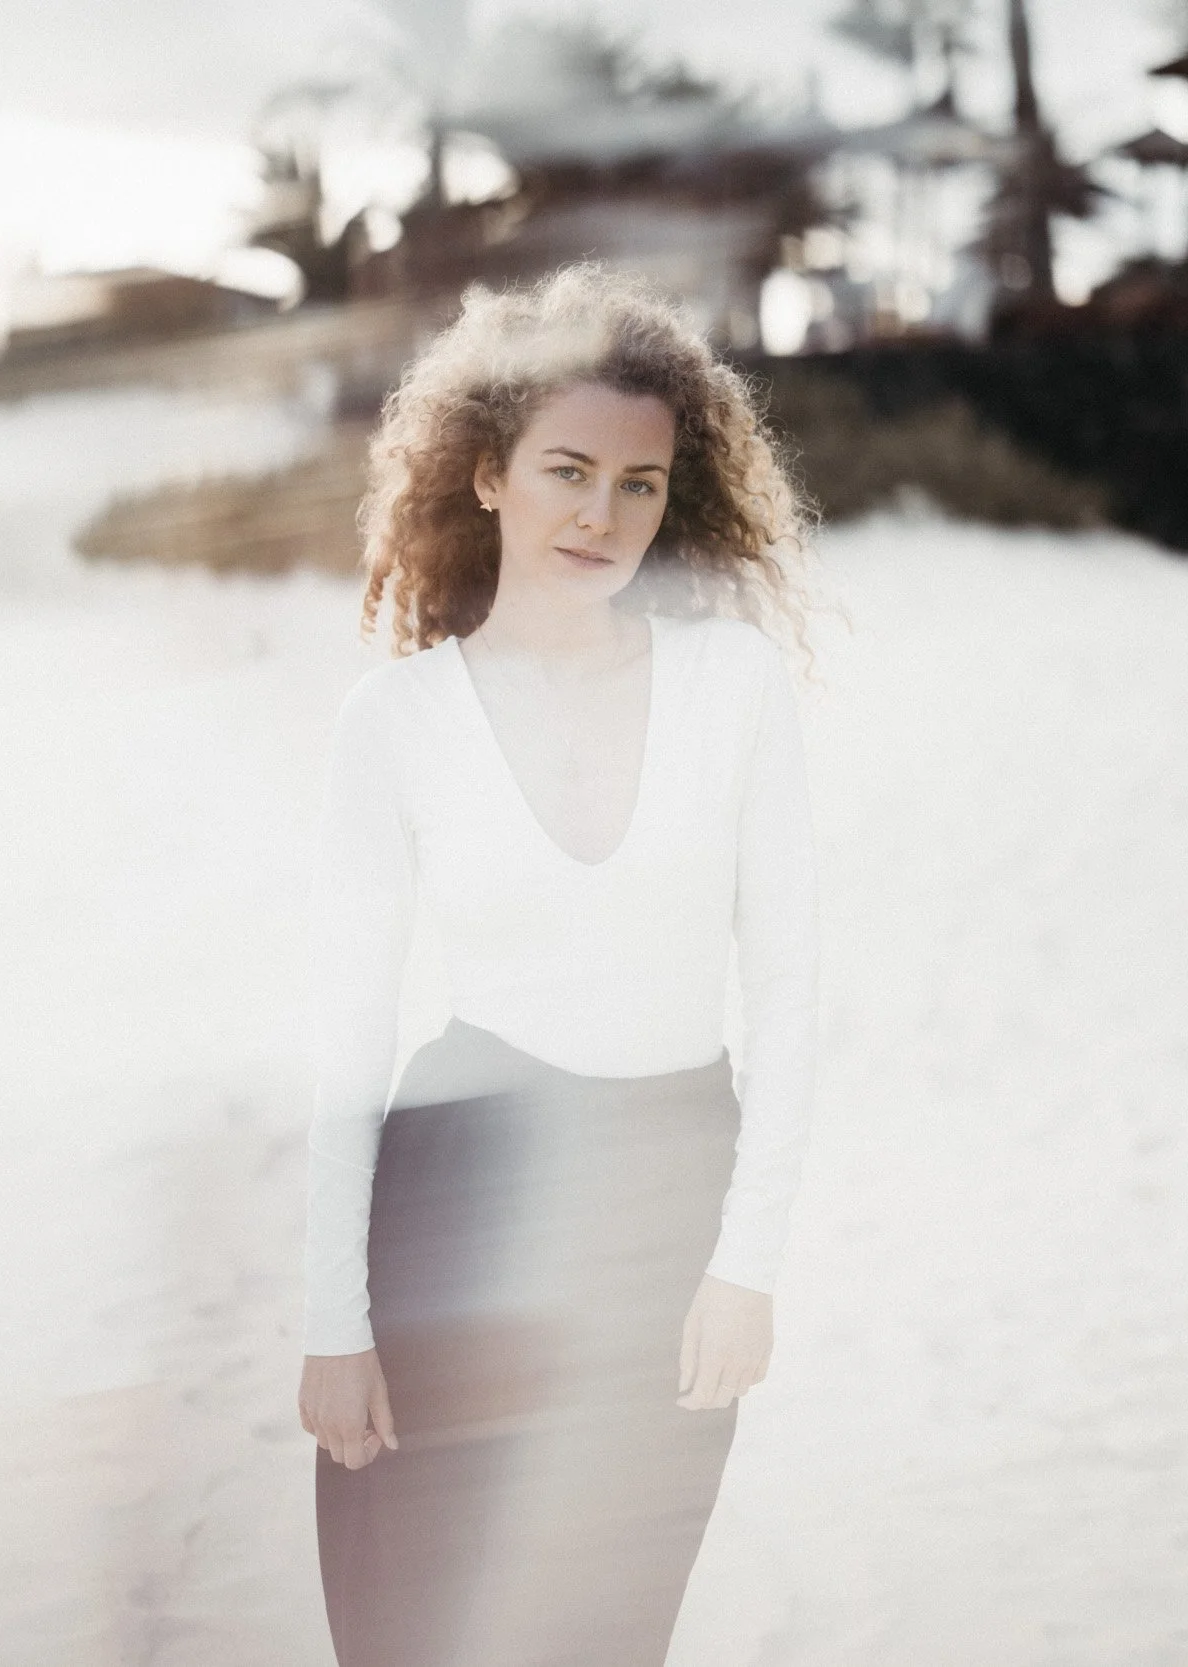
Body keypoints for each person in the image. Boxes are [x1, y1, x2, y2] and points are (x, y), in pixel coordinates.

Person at [294, 263, 826, 1667]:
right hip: (457, 1198)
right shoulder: (395, 721)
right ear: (485, 475)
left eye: (641, 484)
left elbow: (788, 990)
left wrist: (747, 1263)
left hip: (666, 1199)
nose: (603, 514)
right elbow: (347, 1035)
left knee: (604, 1633)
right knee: (421, 1629)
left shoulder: (734, 689)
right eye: (569, 470)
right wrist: (331, 1322)